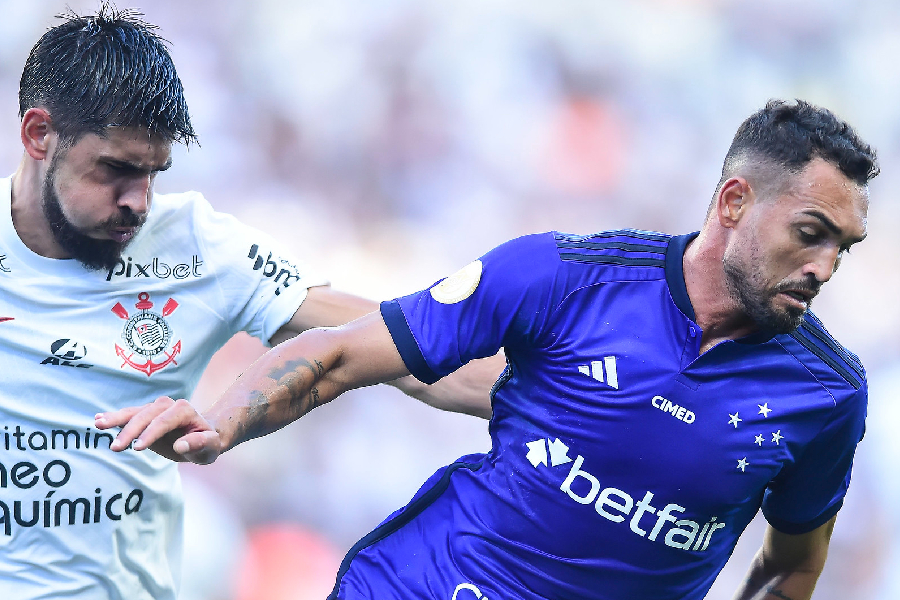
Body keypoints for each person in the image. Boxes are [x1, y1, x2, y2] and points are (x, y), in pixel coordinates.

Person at [100, 98, 879, 600]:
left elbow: (792, 566)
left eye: (842, 248)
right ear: (734, 201)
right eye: (811, 235)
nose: (823, 268)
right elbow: (344, 354)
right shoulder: (566, 276)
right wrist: (221, 424)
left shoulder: (826, 396)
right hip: (425, 587)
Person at [1, 5, 498, 600]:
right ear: (38, 135)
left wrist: (588, 407)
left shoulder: (196, 248)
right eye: (115, 169)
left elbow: (402, 346)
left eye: (154, 174)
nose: (139, 201)